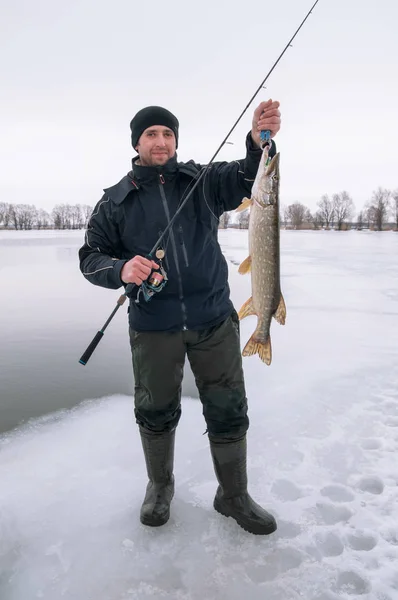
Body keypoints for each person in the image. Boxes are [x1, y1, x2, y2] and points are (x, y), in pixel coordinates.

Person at [78, 100, 281, 535]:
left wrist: (258, 141)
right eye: (151, 134)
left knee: (228, 409)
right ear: (136, 142)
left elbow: (246, 174)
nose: (161, 142)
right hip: (154, 326)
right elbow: (90, 257)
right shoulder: (116, 201)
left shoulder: (203, 181)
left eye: (168, 134)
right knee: (155, 410)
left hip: (213, 319)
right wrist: (121, 269)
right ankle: (159, 486)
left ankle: (233, 495)